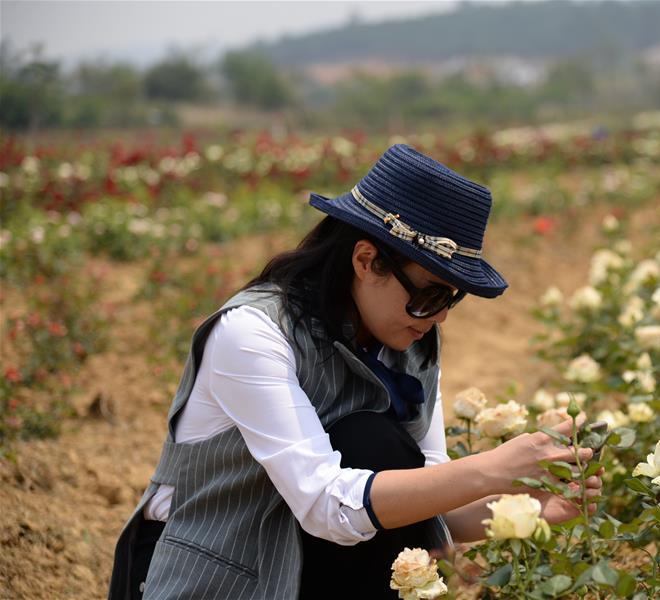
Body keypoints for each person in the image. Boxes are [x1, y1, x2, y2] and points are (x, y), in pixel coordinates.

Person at [108, 144, 602, 599]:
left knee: (382, 454)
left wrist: (531, 510)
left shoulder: (407, 340)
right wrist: (493, 468)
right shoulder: (252, 334)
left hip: (305, 565)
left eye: (453, 298)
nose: (440, 317)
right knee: (370, 442)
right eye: (431, 294)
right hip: (217, 577)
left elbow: (422, 498)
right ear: (366, 260)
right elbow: (327, 503)